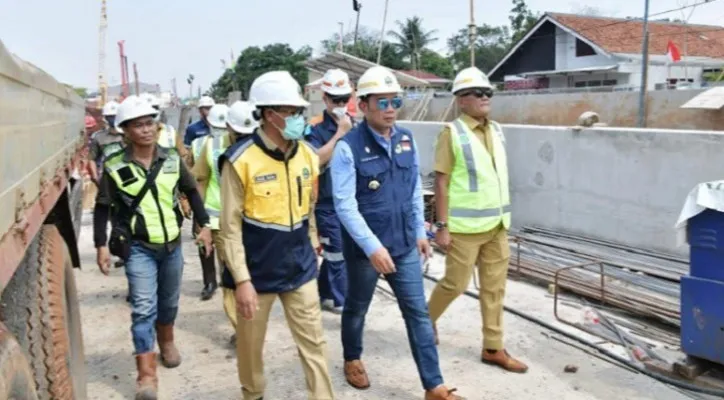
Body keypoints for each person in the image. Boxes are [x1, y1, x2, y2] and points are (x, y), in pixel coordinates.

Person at [330, 66, 462, 400]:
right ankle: (352, 357)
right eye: (382, 102)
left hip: (403, 245)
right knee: (357, 306)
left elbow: (414, 187)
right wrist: (373, 248)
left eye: (395, 101)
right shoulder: (348, 148)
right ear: (363, 106)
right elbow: (345, 206)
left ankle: (434, 386)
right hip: (366, 251)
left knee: (417, 313)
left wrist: (420, 229)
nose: (390, 109)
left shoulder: (405, 139)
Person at [218, 71, 334, 400]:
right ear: (270, 115)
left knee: (315, 344)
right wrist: (241, 280)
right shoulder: (239, 161)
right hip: (256, 273)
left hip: (300, 267)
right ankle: (253, 395)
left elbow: (308, 207)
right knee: (251, 348)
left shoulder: (307, 154)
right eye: (292, 112)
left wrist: (312, 242)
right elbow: (229, 228)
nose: (299, 118)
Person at [93, 95, 213, 400]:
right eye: (138, 125)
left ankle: (167, 341)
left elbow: (191, 192)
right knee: (143, 308)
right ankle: (146, 375)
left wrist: (205, 225)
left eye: (149, 123)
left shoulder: (172, 159)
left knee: (169, 303)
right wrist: (100, 246)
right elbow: (102, 207)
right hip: (138, 248)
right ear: (125, 130)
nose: (146, 130)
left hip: (172, 246)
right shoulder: (115, 165)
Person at [427, 67, 528, 374]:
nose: (486, 98)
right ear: (461, 100)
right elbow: (441, 183)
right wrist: (441, 227)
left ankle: (493, 347)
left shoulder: (496, 130)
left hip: (497, 225)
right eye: (478, 93)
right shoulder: (452, 134)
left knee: (495, 289)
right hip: (465, 228)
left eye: (488, 93)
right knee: (454, 284)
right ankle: (424, 321)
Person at [192, 101, 258, 334]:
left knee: (252, 272)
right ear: (229, 127)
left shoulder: (262, 145)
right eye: (238, 132)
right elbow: (199, 181)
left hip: (254, 222)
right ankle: (241, 329)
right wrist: (203, 224)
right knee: (231, 275)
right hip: (220, 221)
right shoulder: (211, 146)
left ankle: (251, 321)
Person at [305, 68, 355, 314]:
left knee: (346, 251)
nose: (341, 104)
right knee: (335, 251)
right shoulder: (314, 127)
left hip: (353, 201)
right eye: (336, 100)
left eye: (345, 99)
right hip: (326, 202)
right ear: (325, 99)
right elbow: (314, 160)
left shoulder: (358, 124)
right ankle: (338, 298)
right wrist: (340, 134)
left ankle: (325, 290)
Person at [190, 103, 230, 301]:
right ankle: (209, 282)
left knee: (229, 250)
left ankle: (225, 279)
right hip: (209, 207)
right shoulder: (198, 144)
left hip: (230, 210)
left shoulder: (240, 143)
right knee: (204, 245)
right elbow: (192, 174)